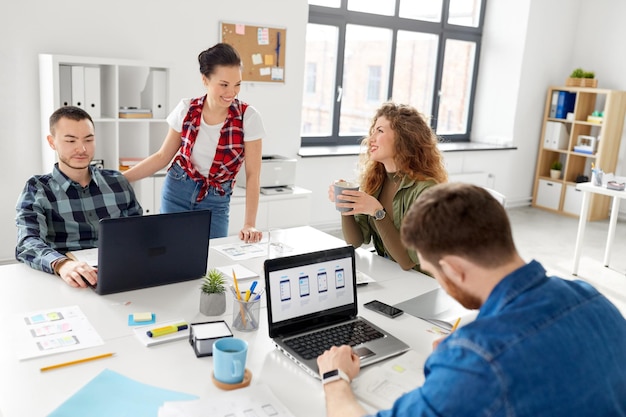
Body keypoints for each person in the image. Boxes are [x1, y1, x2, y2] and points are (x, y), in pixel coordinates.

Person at [317, 183, 626, 417]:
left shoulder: (478, 361)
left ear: (453, 269)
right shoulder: (593, 298)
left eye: (433, 271)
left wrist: (335, 375)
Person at [123, 43, 265, 243]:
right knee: (166, 251)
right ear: (205, 80)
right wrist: (119, 180)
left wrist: (249, 223)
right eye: (224, 84)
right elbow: (162, 157)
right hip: (178, 189)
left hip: (216, 200)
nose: (231, 92)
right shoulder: (186, 109)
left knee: (211, 258)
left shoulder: (248, 117)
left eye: (237, 84)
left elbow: (253, 175)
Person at [15, 106, 142, 288]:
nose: (81, 149)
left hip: (119, 276)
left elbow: (138, 233)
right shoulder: (37, 188)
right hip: (65, 279)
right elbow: (27, 242)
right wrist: (62, 264)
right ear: (52, 142)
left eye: (88, 140)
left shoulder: (118, 182)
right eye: (70, 141)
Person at [328, 102, 447, 271]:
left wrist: (377, 212)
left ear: (403, 138)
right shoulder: (376, 180)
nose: (371, 139)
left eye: (380, 131)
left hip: (421, 281)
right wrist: (345, 204)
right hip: (390, 271)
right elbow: (355, 241)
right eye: (373, 131)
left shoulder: (427, 191)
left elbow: (408, 262)